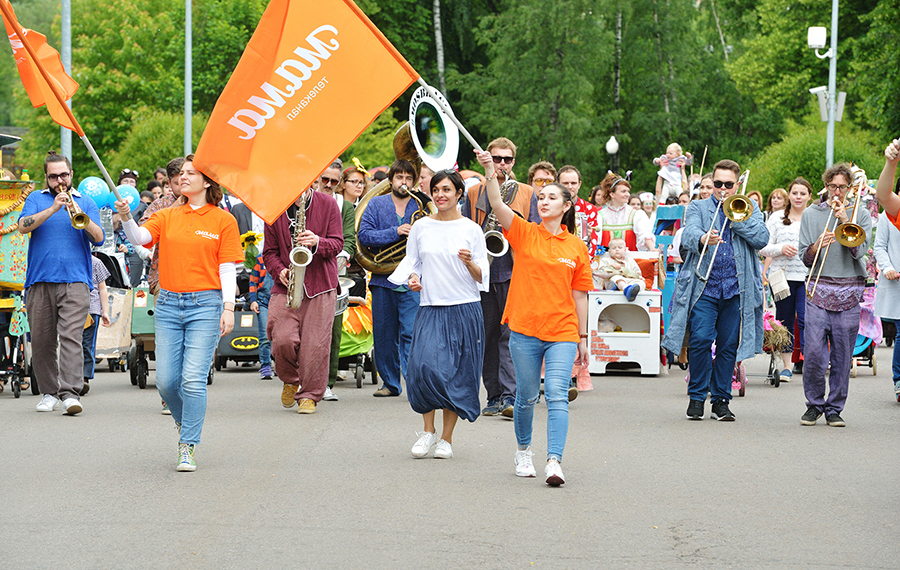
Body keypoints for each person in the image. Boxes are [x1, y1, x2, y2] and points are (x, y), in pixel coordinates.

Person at [117, 154, 242, 471]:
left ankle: (187, 444)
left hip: (206, 304)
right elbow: (141, 240)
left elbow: (227, 269)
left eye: (191, 172)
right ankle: (185, 423)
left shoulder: (222, 220)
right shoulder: (169, 215)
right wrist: (127, 218)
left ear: (207, 181)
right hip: (169, 304)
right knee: (167, 382)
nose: (183, 176)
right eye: (181, 173)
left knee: (193, 381)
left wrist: (228, 308)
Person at [476, 150, 592, 487]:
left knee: (556, 393)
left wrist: (584, 339)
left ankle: (554, 461)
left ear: (566, 206)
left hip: (563, 331)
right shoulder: (525, 233)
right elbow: (497, 205)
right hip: (525, 329)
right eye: (540, 196)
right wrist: (489, 173)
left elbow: (581, 295)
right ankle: (523, 451)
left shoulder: (576, 247)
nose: (544, 201)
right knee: (526, 397)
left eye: (552, 197)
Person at [388, 169, 489, 459]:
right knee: (423, 369)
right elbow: (414, 262)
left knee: (456, 374)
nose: (440, 195)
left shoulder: (471, 229)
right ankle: (427, 431)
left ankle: (446, 439)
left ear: (459, 193)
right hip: (430, 307)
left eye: (447, 190)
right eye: (436, 190)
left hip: (464, 308)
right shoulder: (421, 227)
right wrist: (413, 279)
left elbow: (482, 275)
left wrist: (469, 263)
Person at [661, 159, 769, 422]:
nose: (721, 189)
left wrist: (737, 217)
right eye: (717, 183)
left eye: (727, 185)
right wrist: (701, 238)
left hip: (735, 289)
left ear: (737, 185)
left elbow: (762, 239)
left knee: (728, 345)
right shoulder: (698, 206)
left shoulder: (750, 208)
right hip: (704, 287)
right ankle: (697, 397)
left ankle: (721, 400)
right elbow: (688, 235)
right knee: (700, 339)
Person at [19, 151, 105, 415]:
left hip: (76, 280)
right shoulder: (36, 198)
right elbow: (23, 226)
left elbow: (99, 238)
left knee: (71, 337)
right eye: (54, 176)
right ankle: (48, 392)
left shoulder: (86, 202)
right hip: (39, 279)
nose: (60, 180)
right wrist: (54, 207)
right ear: (46, 177)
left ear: (71, 174)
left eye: (63, 175)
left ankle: (70, 393)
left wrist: (78, 215)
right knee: (43, 340)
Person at [461, 138, 540, 417]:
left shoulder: (528, 192)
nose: (502, 164)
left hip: (514, 271)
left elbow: (534, 233)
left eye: (507, 159)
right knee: (487, 336)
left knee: (511, 336)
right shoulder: (474, 193)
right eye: (497, 159)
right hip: (483, 274)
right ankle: (493, 395)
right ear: (488, 160)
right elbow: (467, 229)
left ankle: (510, 395)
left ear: (514, 162)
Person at [797, 163, 872, 427]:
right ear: (826, 186)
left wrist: (844, 220)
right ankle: (814, 405)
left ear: (850, 189)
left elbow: (860, 251)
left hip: (849, 290)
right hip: (817, 290)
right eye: (832, 186)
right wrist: (816, 245)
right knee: (815, 353)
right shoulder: (810, 214)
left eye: (842, 187)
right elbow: (804, 257)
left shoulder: (860, 214)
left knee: (842, 355)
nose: (837, 192)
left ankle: (834, 408)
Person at [264, 178, 343, 414]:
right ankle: (290, 378)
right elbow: (268, 252)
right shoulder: (274, 208)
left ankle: (309, 394)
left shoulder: (328, 204)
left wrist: (317, 241)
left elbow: (337, 244)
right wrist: (280, 271)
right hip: (287, 284)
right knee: (281, 338)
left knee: (315, 345)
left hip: (321, 284)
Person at [357, 159, 422, 398]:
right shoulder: (375, 204)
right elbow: (364, 236)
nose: (403, 182)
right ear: (391, 180)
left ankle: (414, 383)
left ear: (413, 182)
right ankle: (390, 383)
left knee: (411, 333)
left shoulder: (420, 205)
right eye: (399, 178)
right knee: (384, 335)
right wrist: (395, 232)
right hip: (383, 279)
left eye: (408, 178)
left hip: (411, 281)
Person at [760, 178, 812, 381]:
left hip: (807, 277)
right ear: (789, 195)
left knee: (808, 320)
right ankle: (787, 366)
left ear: (809, 196)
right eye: (795, 193)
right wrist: (781, 249)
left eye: (803, 193)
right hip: (782, 277)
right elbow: (763, 246)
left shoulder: (812, 217)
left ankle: (809, 363)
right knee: (785, 320)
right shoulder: (776, 217)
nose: (798, 197)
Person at [318, 161, 358, 402]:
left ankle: (326, 382)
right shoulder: (305, 199)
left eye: (334, 182)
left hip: (333, 272)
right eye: (325, 180)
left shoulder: (344, 206)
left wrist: (339, 256)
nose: (329, 185)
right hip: (305, 272)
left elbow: (350, 241)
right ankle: (301, 379)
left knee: (332, 331)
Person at [873, 211, 900, 400]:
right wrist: (888, 267)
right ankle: (899, 379)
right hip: (896, 280)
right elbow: (880, 246)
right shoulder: (888, 215)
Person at [596, 172, 654, 251]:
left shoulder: (635, 214)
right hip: (605, 261)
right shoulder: (600, 215)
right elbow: (595, 241)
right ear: (612, 194)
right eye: (623, 191)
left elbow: (644, 234)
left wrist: (652, 249)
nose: (627, 194)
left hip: (630, 261)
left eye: (628, 191)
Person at [80, 254, 111, 395]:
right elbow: (102, 289)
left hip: (90, 310)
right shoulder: (93, 261)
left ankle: (83, 378)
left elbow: (102, 288)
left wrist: (105, 311)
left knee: (83, 344)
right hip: (80, 308)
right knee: (79, 344)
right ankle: (78, 377)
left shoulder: (96, 262)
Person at [557, 165, 600, 255]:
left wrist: (588, 237)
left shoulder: (589, 209)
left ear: (579, 184)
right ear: (558, 184)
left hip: (579, 258)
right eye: (565, 183)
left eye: (573, 183)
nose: (569, 186)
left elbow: (593, 243)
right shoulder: (550, 206)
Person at [247, 254, 274, 380]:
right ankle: (266, 366)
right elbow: (253, 281)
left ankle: (281, 366)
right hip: (263, 301)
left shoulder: (285, 256)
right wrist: (253, 300)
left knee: (280, 336)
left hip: (280, 300)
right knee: (264, 336)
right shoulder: (259, 259)